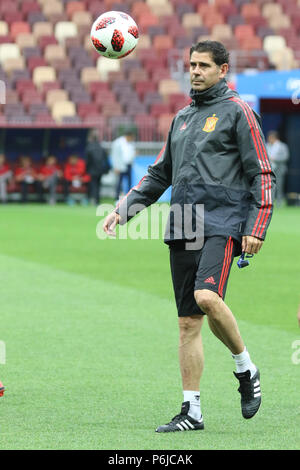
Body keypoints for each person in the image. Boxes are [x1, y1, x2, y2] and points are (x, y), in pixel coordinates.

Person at [103, 40, 276, 432]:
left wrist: (256, 226)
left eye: (203, 65)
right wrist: (124, 209)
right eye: (191, 65)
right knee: (187, 323)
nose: (195, 71)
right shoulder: (181, 118)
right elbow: (159, 173)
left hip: (223, 221)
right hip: (182, 223)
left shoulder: (239, 112)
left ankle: (245, 368)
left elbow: (262, 174)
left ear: (223, 70)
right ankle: (191, 411)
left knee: (206, 296)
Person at [85, 128, 110, 205]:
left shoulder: (89, 147)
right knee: (98, 185)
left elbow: (88, 160)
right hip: (100, 170)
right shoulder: (101, 147)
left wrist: (87, 169)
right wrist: (106, 169)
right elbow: (105, 158)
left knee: (93, 185)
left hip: (92, 169)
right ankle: (97, 199)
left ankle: (93, 199)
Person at [111, 129, 136, 202]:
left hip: (129, 165)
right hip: (120, 165)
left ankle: (128, 198)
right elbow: (114, 155)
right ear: (128, 136)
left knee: (129, 182)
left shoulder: (131, 143)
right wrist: (115, 166)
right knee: (119, 182)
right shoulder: (118, 143)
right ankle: (117, 198)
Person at [266, 130, 289, 207]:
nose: (269, 139)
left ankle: (279, 202)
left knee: (279, 186)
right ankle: (270, 202)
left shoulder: (282, 146)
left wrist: (274, 159)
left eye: (270, 138)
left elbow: (286, 157)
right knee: (269, 186)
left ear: (275, 138)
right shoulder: (267, 145)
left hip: (279, 169)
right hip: (269, 169)